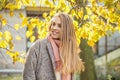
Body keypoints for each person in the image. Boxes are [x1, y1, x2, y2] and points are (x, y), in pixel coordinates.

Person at [23, 12, 84, 80]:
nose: (54, 28)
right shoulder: (38, 46)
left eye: (59, 26)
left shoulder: (70, 51)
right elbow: (28, 75)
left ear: (67, 30)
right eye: (53, 24)